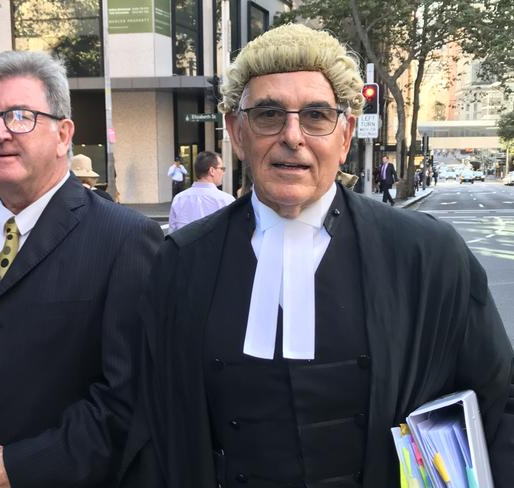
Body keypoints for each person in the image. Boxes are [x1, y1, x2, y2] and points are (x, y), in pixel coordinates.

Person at [119, 24, 514, 487]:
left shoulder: (428, 257)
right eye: (268, 114)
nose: (292, 136)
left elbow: (498, 404)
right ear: (236, 131)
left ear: (345, 135)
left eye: (316, 115)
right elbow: (152, 424)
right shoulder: (180, 263)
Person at [0, 50, 163, 488]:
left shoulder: (125, 239)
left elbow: (128, 399)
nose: (0, 132)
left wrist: (23, 466)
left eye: (21, 116)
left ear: (64, 134)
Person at [168, 151, 235, 232]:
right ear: (212, 171)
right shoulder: (226, 200)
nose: (223, 173)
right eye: (222, 169)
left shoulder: (179, 199)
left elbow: (172, 233)